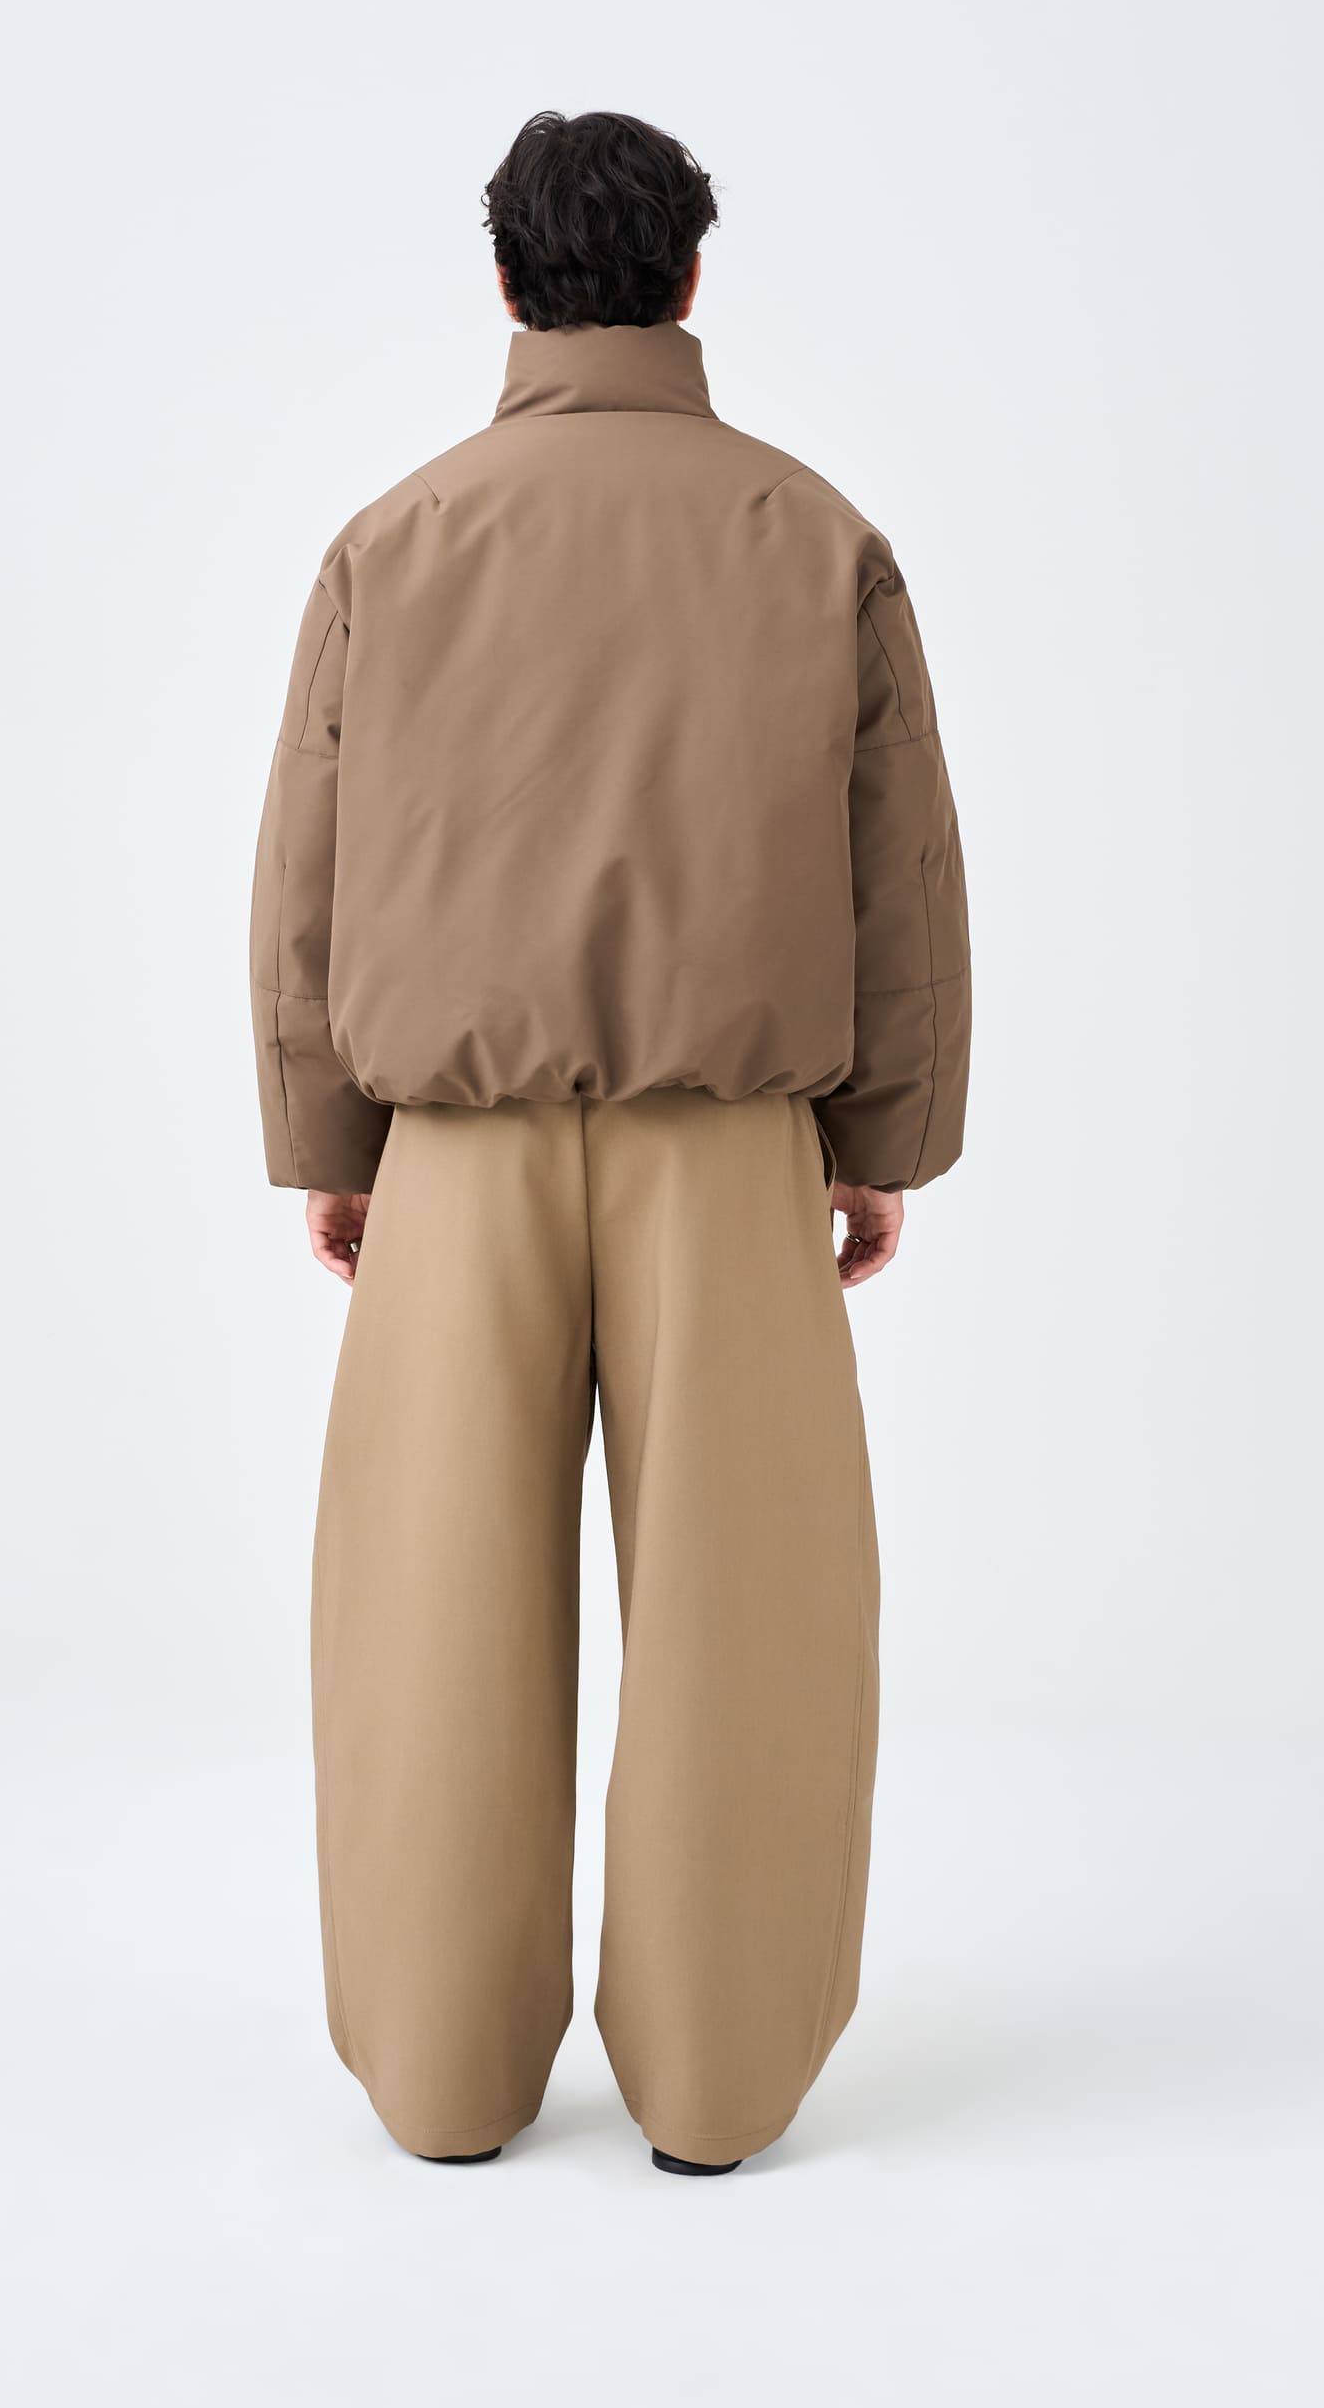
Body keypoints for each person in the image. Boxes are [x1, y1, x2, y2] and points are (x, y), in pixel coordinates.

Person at [249, 109, 970, 2176]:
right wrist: (880, 1136)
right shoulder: (811, 536)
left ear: (504, 281)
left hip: (455, 1150)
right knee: (752, 1610)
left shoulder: (395, 541)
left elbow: (308, 869)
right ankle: (720, 2086)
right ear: (689, 277)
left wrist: (332, 1137)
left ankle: (443, 2076)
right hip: (731, 1148)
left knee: (430, 1610)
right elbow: (897, 866)